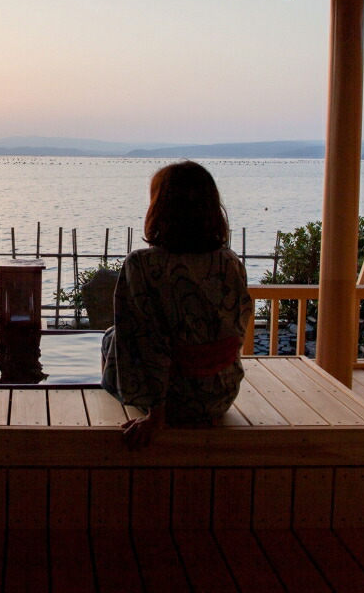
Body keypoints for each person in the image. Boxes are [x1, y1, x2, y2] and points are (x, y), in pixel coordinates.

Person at [102, 161, 252, 448]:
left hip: (172, 402)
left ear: (160, 208)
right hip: (221, 396)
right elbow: (236, 332)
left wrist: (156, 415)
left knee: (111, 338)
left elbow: (146, 342)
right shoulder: (229, 261)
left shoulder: (144, 265)